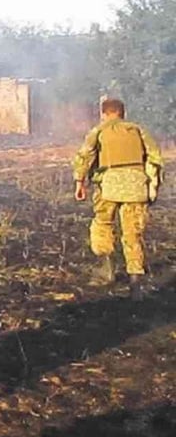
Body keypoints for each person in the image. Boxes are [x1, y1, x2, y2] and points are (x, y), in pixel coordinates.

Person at [73, 97, 163, 301]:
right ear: (123, 113)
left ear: (103, 113)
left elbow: (84, 156)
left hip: (109, 186)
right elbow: (155, 158)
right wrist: (152, 186)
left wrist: (80, 182)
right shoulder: (138, 130)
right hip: (136, 186)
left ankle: (106, 270)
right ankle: (135, 284)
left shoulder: (99, 131)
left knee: (102, 224)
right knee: (133, 234)